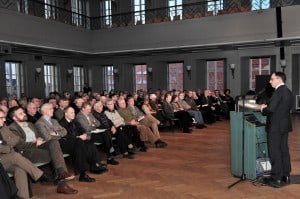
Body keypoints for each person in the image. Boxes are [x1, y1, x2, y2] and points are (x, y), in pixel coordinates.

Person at [260, 72, 293, 188]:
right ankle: (286, 175)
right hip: (284, 126)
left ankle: (276, 178)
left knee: (275, 151)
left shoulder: (278, 91)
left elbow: (271, 109)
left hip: (275, 126)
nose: (270, 81)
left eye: (272, 79)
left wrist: (263, 109)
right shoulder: (288, 91)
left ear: (279, 79)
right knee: (284, 150)